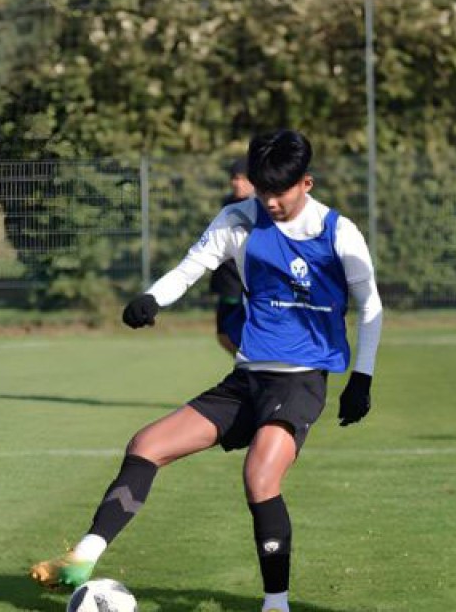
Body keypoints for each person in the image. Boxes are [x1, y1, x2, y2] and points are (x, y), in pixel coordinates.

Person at [30, 130, 383, 612]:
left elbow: (370, 307)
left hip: (301, 378)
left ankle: (275, 605)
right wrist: (153, 298)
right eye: (263, 191)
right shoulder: (239, 219)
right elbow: (192, 266)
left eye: (281, 191)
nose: (271, 202)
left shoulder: (338, 233)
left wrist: (361, 378)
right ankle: (84, 557)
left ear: (307, 183)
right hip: (247, 378)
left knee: (260, 476)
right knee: (146, 446)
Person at [210, 158, 254, 355]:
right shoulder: (227, 204)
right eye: (234, 179)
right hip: (227, 279)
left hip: (247, 283)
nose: (237, 183)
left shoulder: (261, 206)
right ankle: (248, 371)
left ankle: (253, 372)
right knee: (223, 336)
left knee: (244, 334)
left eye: (243, 179)